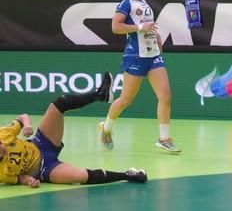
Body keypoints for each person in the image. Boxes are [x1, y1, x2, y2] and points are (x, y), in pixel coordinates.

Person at [0, 72, 148, 187]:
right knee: (83, 177)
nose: (2, 147)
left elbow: (22, 117)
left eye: (0, 145)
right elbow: (19, 178)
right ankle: (128, 175)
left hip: (41, 142)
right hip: (45, 169)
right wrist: (30, 181)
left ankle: (101, 94)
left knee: (59, 104)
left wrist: (27, 125)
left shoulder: (3, 135)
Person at [99, 0, 181, 153]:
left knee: (165, 96)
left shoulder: (145, 4)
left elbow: (148, 26)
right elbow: (116, 27)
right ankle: (106, 128)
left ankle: (164, 138)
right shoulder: (125, 4)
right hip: (135, 56)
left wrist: (157, 38)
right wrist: (139, 27)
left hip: (153, 55)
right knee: (126, 100)